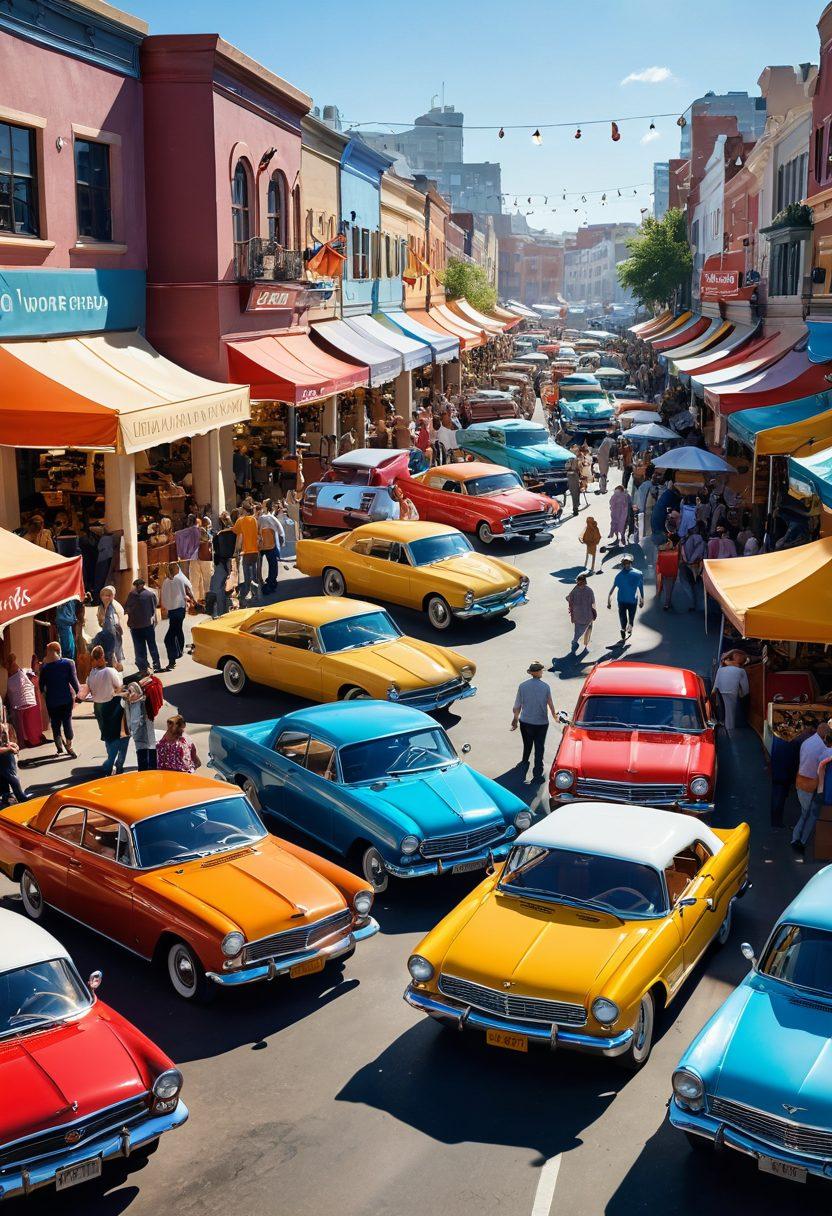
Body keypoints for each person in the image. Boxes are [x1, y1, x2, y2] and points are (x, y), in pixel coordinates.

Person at [510, 661, 557, 783]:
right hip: (541, 722)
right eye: (541, 670)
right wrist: (555, 716)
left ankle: (525, 761)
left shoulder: (522, 686)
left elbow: (517, 706)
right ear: (537, 672)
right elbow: (550, 703)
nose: (542, 672)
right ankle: (537, 769)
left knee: (527, 744)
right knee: (539, 746)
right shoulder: (545, 686)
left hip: (525, 721)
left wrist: (515, 720)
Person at [87, 645, 128, 776]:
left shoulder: (92, 674)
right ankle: (113, 763)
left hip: (98, 707)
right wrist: (119, 671)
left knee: (107, 736)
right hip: (111, 705)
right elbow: (119, 686)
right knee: (120, 735)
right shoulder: (109, 671)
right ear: (102, 656)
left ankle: (111, 761)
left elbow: (91, 689)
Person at [791, 723, 832, 854]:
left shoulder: (808, 741)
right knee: (809, 815)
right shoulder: (822, 748)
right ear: (825, 734)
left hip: (800, 782)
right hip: (809, 785)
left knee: (805, 814)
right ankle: (800, 842)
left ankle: (796, 839)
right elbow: (824, 760)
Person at [38, 642, 79, 758]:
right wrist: (78, 694)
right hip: (66, 699)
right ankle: (69, 746)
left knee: (55, 724)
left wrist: (46, 696)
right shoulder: (67, 664)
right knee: (67, 722)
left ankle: (60, 747)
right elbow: (74, 682)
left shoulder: (45, 668)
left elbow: (41, 685)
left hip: (52, 701)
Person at [160, 562, 195, 671]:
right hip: (179, 610)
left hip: (174, 611)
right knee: (177, 630)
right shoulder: (179, 580)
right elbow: (187, 591)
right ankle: (178, 652)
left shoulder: (167, 582)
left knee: (168, 638)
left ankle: (172, 660)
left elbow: (164, 598)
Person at [4, 655, 43, 748]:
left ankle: (21, 742)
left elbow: (10, 686)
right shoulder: (18, 670)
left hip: (17, 702)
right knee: (25, 722)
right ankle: (28, 739)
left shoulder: (10, 670)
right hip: (26, 699)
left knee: (19, 723)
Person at [124, 578, 162, 673]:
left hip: (135, 626)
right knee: (152, 645)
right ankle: (156, 664)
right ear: (143, 585)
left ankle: (143, 667)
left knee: (139, 647)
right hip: (147, 625)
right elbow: (153, 610)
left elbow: (127, 609)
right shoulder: (150, 595)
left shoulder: (131, 595)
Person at [607, 555, 644, 640]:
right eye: (625, 563)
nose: (626, 565)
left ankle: (626, 628)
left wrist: (609, 602)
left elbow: (612, 589)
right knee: (628, 617)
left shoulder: (620, 575)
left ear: (630, 563)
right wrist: (608, 601)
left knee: (626, 617)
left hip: (625, 600)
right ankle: (625, 629)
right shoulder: (638, 573)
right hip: (629, 600)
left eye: (627, 563)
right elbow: (641, 588)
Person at [122, 682, 157, 770]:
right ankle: (150, 768)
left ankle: (145, 769)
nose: (130, 695)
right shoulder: (142, 700)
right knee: (150, 746)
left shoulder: (136, 703)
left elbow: (135, 720)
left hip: (140, 732)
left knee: (143, 749)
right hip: (146, 733)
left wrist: (133, 730)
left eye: (131, 692)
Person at [712, 653, 749, 735]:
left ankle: (727, 727)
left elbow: (716, 682)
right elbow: (745, 687)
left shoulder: (720, 670)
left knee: (727, 710)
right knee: (730, 712)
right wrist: (743, 694)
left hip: (722, 691)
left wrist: (714, 691)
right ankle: (730, 730)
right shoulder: (741, 671)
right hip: (732, 691)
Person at [0, 704, 27, 806]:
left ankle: (8, 797)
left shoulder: (3, 724)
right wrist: (8, 748)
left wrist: (10, 744)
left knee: (6, 778)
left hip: (5, 754)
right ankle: (21, 798)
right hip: (5, 755)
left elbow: (4, 740)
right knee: (11, 777)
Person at [257, 499, 285, 594]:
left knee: (258, 564)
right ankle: (271, 582)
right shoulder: (272, 518)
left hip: (261, 545)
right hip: (271, 545)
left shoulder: (260, 518)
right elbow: (281, 532)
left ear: (265, 506)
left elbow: (257, 530)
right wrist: (281, 544)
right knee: (273, 565)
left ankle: (259, 581)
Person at [233, 503, 260, 601]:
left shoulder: (241, 520)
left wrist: (239, 519)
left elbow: (235, 531)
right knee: (254, 573)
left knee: (247, 574)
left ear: (245, 510)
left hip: (247, 551)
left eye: (242, 509)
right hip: (255, 550)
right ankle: (256, 593)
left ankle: (249, 592)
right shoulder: (254, 520)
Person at [95, 585, 125, 669]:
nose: (105, 597)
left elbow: (117, 622)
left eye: (108, 595)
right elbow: (100, 620)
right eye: (103, 595)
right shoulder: (101, 607)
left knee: (114, 653)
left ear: (113, 596)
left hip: (114, 635)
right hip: (106, 634)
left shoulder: (114, 607)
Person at [566, 574, 596, 653]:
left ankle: (576, 642)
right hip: (583, 614)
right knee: (583, 630)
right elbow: (593, 603)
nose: (580, 584)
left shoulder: (580, 590)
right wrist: (594, 612)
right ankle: (578, 643)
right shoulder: (588, 590)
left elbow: (568, 598)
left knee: (580, 630)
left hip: (581, 614)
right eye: (579, 583)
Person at [656, 533, 681, 611]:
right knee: (669, 588)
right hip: (671, 571)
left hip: (663, 570)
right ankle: (667, 604)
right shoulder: (676, 549)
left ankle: (666, 601)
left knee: (666, 586)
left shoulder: (664, 548)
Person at [608, 484, 632, 548]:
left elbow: (611, 503)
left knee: (617, 526)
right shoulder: (626, 495)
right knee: (623, 527)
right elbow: (630, 503)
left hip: (618, 514)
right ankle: (622, 539)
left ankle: (619, 539)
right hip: (624, 514)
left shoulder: (616, 496)